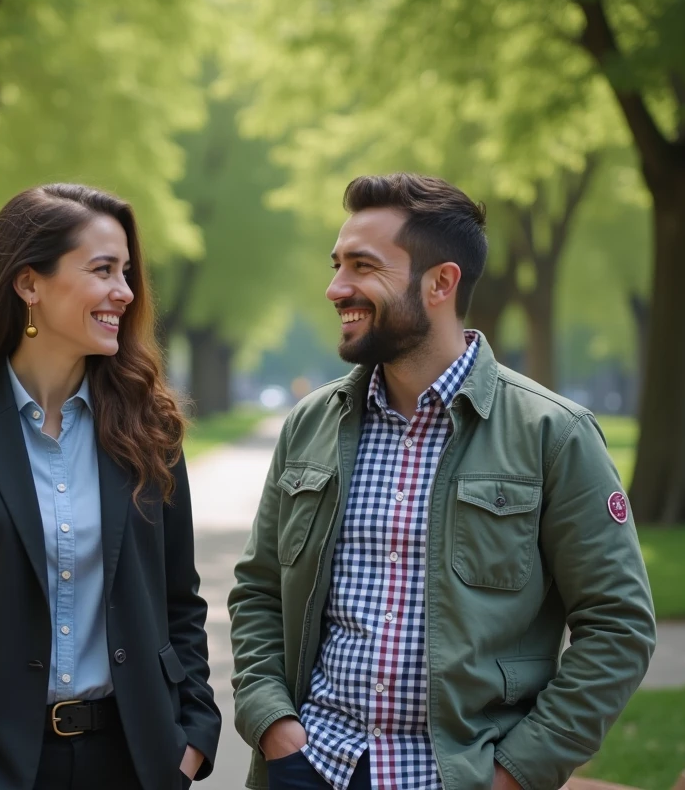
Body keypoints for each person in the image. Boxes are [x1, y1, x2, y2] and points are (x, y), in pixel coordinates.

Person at [228, 173, 655, 790]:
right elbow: (260, 590)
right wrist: (274, 726)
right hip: (310, 766)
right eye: (336, 264)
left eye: (362, 266)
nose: (335, 287)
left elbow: (618, 627)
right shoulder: (310, 425)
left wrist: (516, 774)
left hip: (457, 776)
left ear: (440, 283)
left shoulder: (553, 434)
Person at [0, 184, 221, 790]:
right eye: (102, 269)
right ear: (29, 284)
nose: (125, 292)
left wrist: (193, 736)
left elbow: (179, 602)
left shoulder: (149, 427)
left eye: (127, 272)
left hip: (138, 760)